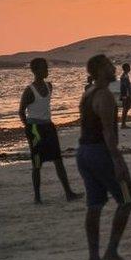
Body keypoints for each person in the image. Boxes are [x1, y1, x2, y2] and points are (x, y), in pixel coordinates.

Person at [77, 54, 131, 260]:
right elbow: (108, 133)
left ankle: (94, 257)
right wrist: (117, 161)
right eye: (110, 65)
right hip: (101, 154)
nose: (114, 68)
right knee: (127, 198)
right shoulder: (105, 96)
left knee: (95, 204)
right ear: (101, 70)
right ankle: (111, 252)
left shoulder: (88, 93)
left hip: (84, 152)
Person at [19, 58, 81, 203]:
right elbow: (21, 111)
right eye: (43, 68)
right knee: (37, 163)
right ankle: (37, 197)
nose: (47, 70)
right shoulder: (29, 91)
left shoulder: (49, 86)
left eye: (47, 67)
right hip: (34, 128)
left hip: (48, 127)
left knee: (58, 160)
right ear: (35, 71)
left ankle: (69, 193)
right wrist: (28, 127)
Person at [119, 63, 131, 129]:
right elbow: (124, 87)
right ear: (126, 68)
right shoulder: (124, 76)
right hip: (125, 94)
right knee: (125, 108)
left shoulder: (125, 75)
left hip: (125, 94)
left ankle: (123, 123)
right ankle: (123, 124)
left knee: (126, 108)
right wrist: (126, 95)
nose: (130, 68)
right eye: (129, 67)